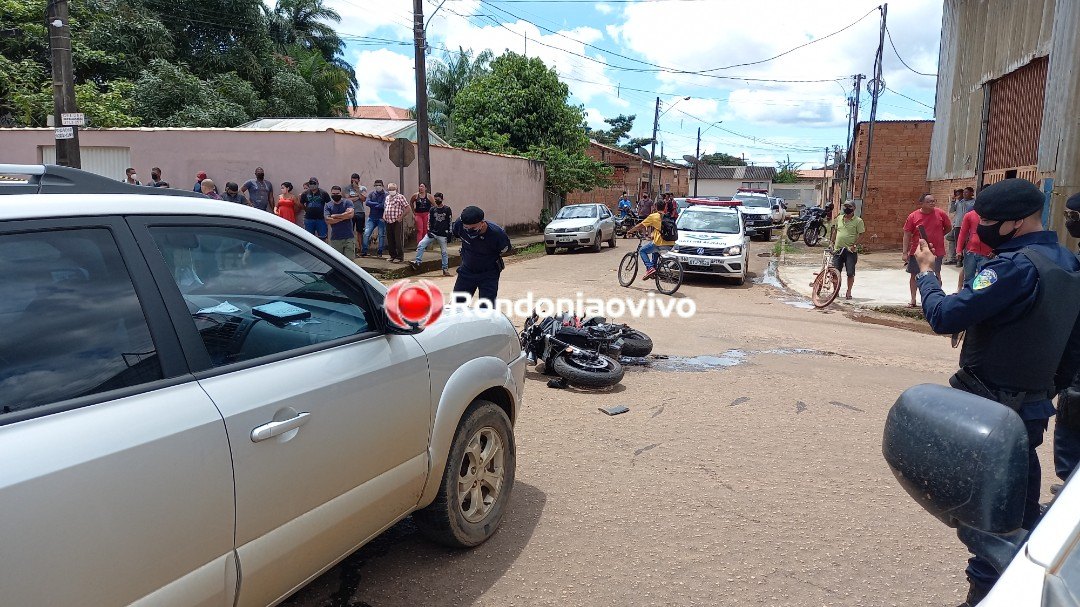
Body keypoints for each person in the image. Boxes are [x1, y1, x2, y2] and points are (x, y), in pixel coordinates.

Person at [912, 179, 1080, 606]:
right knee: (1016, 513)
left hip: (989, 411)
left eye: (989, 221)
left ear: (1017, 222)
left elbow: (946, 316)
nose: (982, 227)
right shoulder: (1068, 265)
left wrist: (929, 275)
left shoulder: (1013, 268)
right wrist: (1039, 391)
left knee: (989, 522)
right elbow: (1071, 353)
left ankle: (984, 596)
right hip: (1031, 410)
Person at [1053, 192, 1080, 488]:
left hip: (1076, 373)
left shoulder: (1072, 268)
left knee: (1071, 460)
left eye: (1074, 218)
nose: (1071, 224)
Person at [451, 205, 512, 303]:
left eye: (473, 228)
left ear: (482, 223)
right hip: (467, 271)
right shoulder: (459, 225)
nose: (469, 231)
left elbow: (505, 249)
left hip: (488, 274)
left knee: (486, 309)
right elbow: (456, 233)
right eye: (466, 228)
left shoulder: (496, 234)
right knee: (457, 306)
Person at [902, 193, 951, 307]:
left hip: (936, 250)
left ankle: (938, 300)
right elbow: (907, 234)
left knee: (936, 274)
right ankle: (913, 299)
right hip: (917, 251)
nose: (932, 203)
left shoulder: (941, 214)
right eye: (929, 201)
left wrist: (939, 235)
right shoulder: (913, 216)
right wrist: (905, 252)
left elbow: (948, 227)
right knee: (914, 275)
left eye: (934, 201)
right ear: (922, 203)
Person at [625, 199, 676, 280]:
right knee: (654, 251)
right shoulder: (668, 216)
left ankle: (650, 268)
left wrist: (630, 231)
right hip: (671, 243)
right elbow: (662, 229)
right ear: (665, 207)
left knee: (642, 250)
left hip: (660, 243)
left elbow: (641, 225)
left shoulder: (653, 216)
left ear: (655, 207)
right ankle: (654, 269)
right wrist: (652, 236)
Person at [828, 201, 865, 300]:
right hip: (838, 250)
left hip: (850, 251)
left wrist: (855, 245)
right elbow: (835, 231)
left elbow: (862, 234)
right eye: (845, 206)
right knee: (836, 271)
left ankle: (849, 292)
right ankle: (836, 291)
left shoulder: (858, 221)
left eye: (849, 206)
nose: (847, 208)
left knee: (850, 272)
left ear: (854, 209)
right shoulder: (839, 218)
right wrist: (831, 242)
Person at [411, 192, 453, 276]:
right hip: (433, 232)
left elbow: (450, 221)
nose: (437, 200)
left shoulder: (447, 209)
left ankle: (445, 269)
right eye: (435, 199)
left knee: (444, 252)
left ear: (442, 199)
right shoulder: (432, 209)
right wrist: (429, 231)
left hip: (443, 234)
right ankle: (417, 262)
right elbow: (429, 221)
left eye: (438, 199)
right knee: (421, 245)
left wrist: (450, 233)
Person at [955, 208, 993, 290]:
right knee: (968, 278)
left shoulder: (992, 214)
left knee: (984, 280)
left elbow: (997, 234)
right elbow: (963, 233)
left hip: (986, 253)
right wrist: (959, 250)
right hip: (970, 252)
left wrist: (994, 250)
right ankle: (967, 299)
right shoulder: (969, 215)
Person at [324, 185, 357, 258]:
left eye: (337, 194)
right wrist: (343, 217)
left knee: (350, 262)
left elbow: (350, 215)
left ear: (341, 193)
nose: (335, 195)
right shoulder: (328, 205)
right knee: (337, 261)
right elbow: (328, 220)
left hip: (349, 237)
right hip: (335, 238)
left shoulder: (348, 202)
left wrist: (334, 216)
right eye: (333, 194)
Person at [383, 183, 411, 263]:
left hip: (396, 221)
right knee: (390, 239)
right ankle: (392, 255)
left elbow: (408, 208)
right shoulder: (387, 198)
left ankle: (400, 257)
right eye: (390, 189)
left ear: (396, 189)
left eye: (393, 189)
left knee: (397, 239)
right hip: (388, 221)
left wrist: (401, 217)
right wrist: (384, 215)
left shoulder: (400, 197)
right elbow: (386, 207)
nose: (391, 191)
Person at [361, 179, 387, 257]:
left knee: (381, 235)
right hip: (371, 217)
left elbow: (383, 205)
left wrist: (374, 205)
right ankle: (364, 251)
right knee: (366, 234)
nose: (378, 186)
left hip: (381, 218)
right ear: (374, 186)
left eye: (379, 185)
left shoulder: (386, 194)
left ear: (382, 186)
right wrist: (377, 204)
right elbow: (367, 202)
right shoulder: (371, 194)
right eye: (376, 185)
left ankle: (380, 252)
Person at [347, 174, 366, 256]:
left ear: (358, 180)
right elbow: (348, 199)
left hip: (360, 212)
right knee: (350, 231)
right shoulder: (347, 188)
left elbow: (364, 199)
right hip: (350, 212)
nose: (354, 181)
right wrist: (358, 196)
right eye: (352, 179)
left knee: (360, 232)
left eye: (355, 179)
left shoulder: (363, 188)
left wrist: (357, 191)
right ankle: (351, 249)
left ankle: (361, 249)